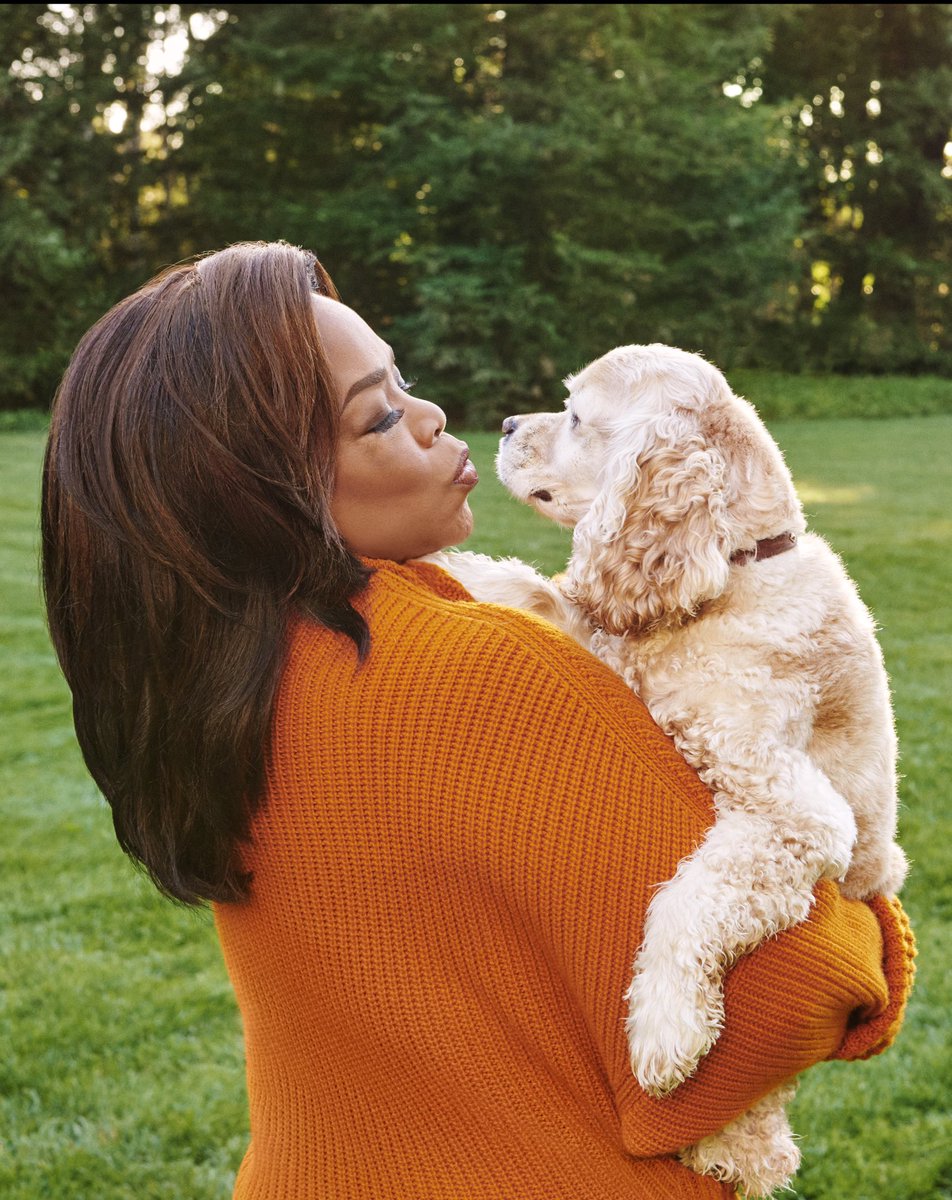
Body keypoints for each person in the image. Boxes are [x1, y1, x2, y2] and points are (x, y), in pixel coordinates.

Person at [42, 241, 915, 1200]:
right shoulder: (494, 677)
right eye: (379, 416)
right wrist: (870, 927)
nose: (430, 417)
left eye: (402, 381)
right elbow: (777, 1004)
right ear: (260, 497)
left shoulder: (218, 685)